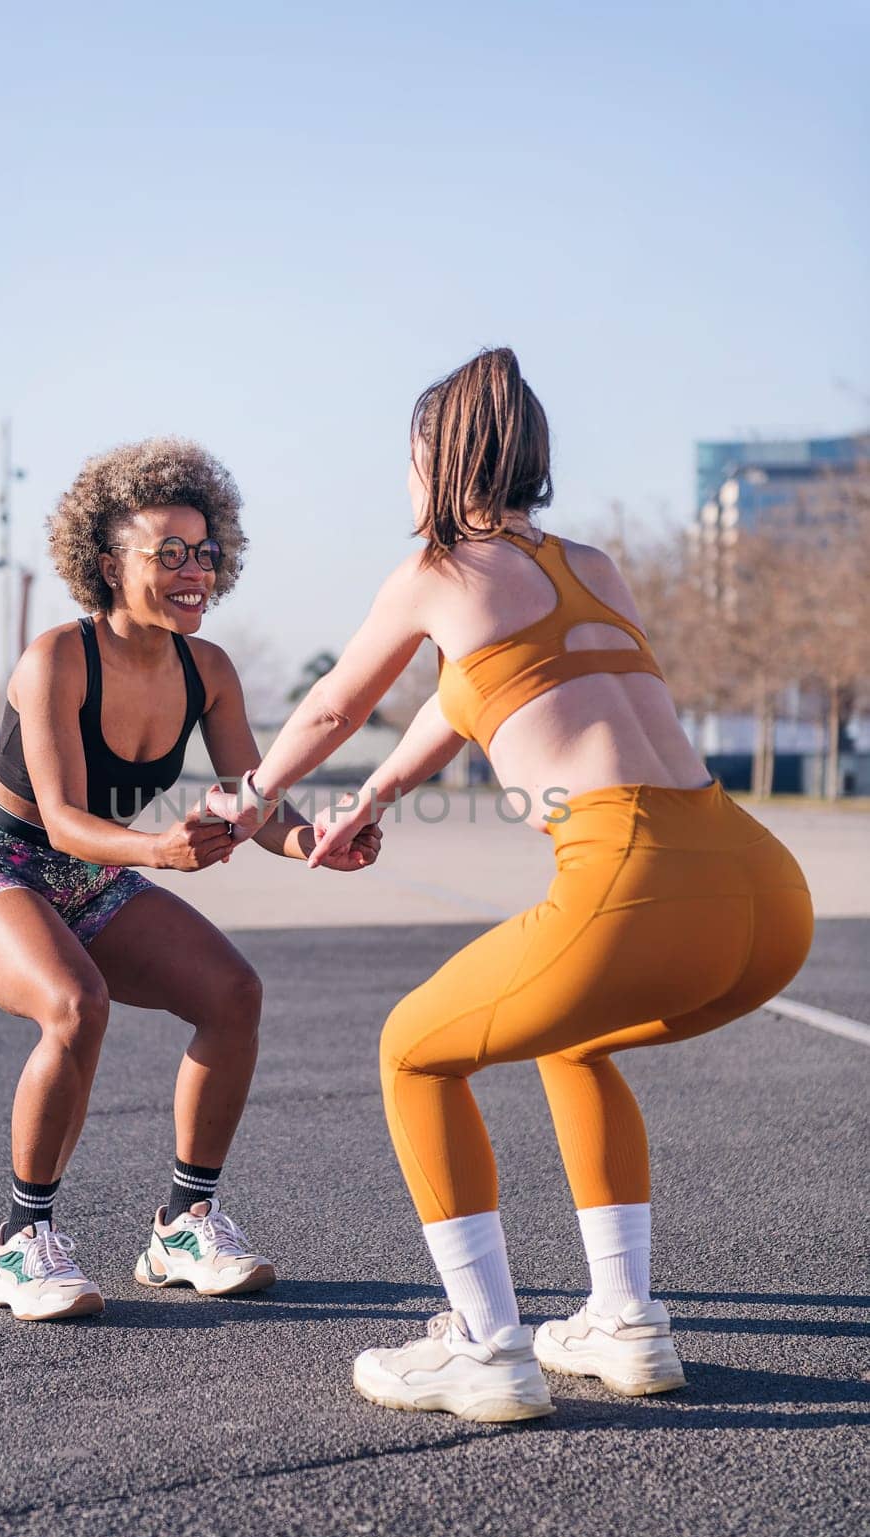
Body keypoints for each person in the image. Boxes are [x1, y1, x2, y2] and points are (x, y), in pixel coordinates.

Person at [206, 349, 814, 1422]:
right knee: (572, 1040)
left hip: (630, 872)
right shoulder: (592, 565)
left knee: (411, 1052)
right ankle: (624, 1323)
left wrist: (246, 792)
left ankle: (484, 1346)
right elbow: (489, 683)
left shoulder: (434, 570)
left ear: (434, 461)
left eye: (407, 459)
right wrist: (381, 793)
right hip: (759, 880)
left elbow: (332, 708)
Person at [0, 437, 381, 1322]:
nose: (193, 569)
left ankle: (183, 1224)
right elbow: (58, 822)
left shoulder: (206, 671)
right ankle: (19, 1246)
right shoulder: (56, 658)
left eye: (204, 552)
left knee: (232, 992)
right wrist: (160, 849)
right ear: (105, 564)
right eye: (166, 553)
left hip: (92, 878)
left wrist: (319, 839)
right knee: (73, 1003)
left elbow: (256, 803)